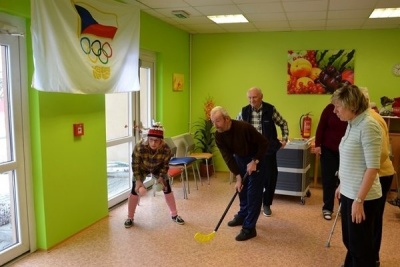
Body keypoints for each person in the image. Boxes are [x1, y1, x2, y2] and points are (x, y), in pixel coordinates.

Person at [332, 84, 382, 267]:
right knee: (350, 241)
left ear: (352, 105)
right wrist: (341, 186)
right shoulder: (353, 123)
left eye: (338, 106)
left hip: (363, 198)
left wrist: (359, 201)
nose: (335, 110)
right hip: (349, 192)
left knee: (360, 246)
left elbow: (372, 167)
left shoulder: (368, 125)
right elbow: (351, 160)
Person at [210, 106, 269, 241]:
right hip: (240, 159)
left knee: (253, 194)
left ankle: (249, 228)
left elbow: (264, 143)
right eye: (213, 121)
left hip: (256, 158)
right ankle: (243, 215)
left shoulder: (244, 128)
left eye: (217, 121)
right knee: (241, 189)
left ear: (227, 119)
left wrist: (255, 161)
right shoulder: (218, 135)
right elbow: (228, 157)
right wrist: (237, 176)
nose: (215, 125)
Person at [238, 87, 289, 217]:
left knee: (270, 178)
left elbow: (283, 123)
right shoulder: (244, 111)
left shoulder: (270, 109)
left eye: (254, 97)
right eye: (249, 97)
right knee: (252, 180)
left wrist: (284, 139)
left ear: (261, 97)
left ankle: (266, 204)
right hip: (250, 152)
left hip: (268, 150)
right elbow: (236, 127)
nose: (251, 100)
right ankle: (253, 205)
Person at [124, 124, 185, 228]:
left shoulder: (166, 149)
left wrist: (161, 177)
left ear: (161, 141)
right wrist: (138, 180)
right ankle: (130, 217)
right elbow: (135, 163)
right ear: (148, 138)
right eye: (151, 140)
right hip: (142, 168)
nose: (153, 143)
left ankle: (174, 215)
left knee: (167, 188)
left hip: (158, 168)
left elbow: (165, 165)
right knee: (134, 190)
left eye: (156, 140)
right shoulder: (140, 146)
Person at [360, 87, 395, 267]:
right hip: (376, 173)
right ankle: (369, 256)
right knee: (370, 219)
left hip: (379, 174)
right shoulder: (364, 118)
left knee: (372, 219)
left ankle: (372, 257)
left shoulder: (371, 120)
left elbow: (380, 154)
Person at [314, 103, 347, 220]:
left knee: (343, 179)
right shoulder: (329, 109)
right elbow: (321, 127)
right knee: (328, 179)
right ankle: (327, 208)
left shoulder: (348, 110)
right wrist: (317, 144)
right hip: (328, 149)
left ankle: (343, 207)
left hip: (345, 151)